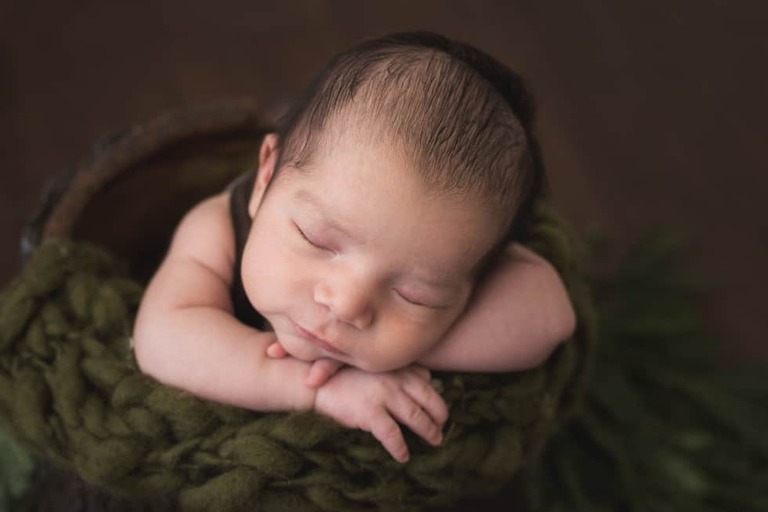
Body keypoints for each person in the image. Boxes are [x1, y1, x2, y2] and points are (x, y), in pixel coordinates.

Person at [133, 31, 576, 463]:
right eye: (317, 240)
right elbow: (162, 337)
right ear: (266, 176)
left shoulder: (448, 251)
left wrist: (391, 349)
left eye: (413, 294)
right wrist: (314, 387)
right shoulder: (218, 227)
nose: (346, 305)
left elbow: (552, 317)